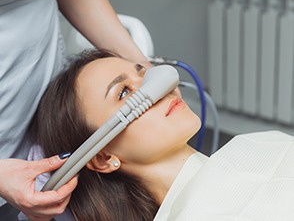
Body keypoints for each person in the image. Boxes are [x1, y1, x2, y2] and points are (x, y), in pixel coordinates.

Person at [30, 48, 294, 220]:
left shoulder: (261, 142)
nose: (158, 88)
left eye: (144, 74)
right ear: (104, 157)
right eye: (123, 92)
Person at [0, 0, 150, 219]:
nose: (144, 94)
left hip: (41, 137)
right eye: (124, 93)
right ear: (105, 159)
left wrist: (144, 68)